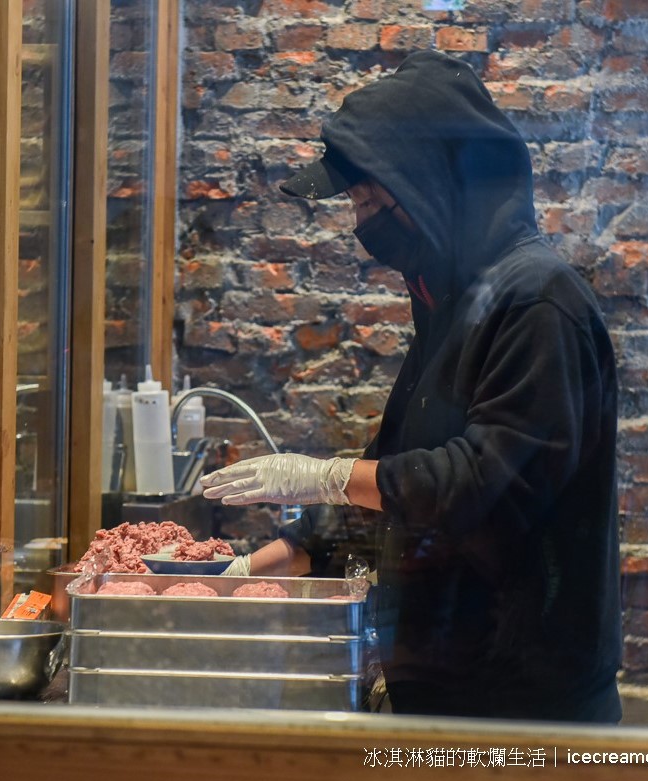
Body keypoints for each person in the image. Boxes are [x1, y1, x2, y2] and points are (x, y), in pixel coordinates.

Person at [199, 50, 622, 723]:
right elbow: (395, 470)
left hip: (520, 711)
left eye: (369, 197)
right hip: (443, 695)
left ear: (432, 182)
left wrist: (326, 474)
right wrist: (260, 567)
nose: (360, 219)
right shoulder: (451, 302)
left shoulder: (539, 304)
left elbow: (481, 484)